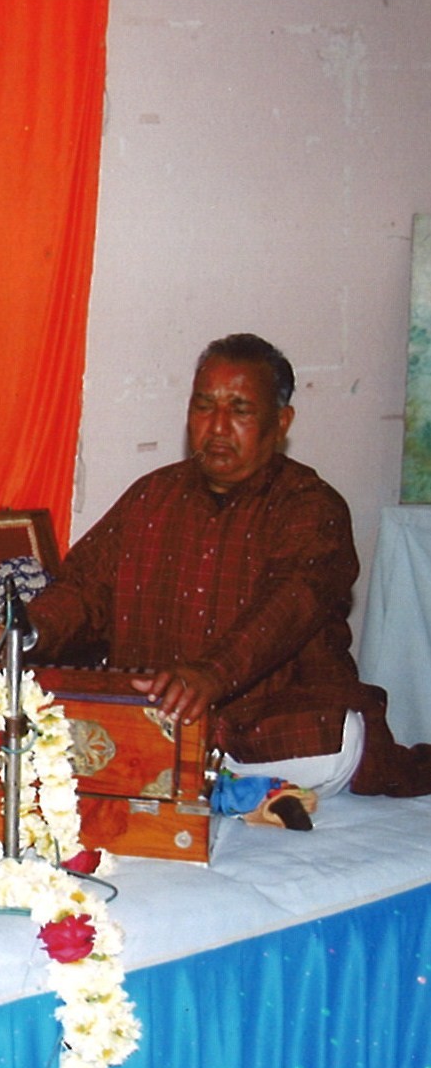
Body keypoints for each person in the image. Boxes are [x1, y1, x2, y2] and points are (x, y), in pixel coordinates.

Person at [24, 333, 431, 799]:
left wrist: (211, 675)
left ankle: (216, 776)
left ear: (280, 423)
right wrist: (32, 629)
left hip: (264, 732)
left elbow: (288, 605)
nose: (217, 427)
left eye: (239, 410)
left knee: (339, 739)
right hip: (157, 728)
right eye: (203, 406)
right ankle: (195, 774)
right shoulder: (149, 498)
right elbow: (83, 590)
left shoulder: (312, 508)